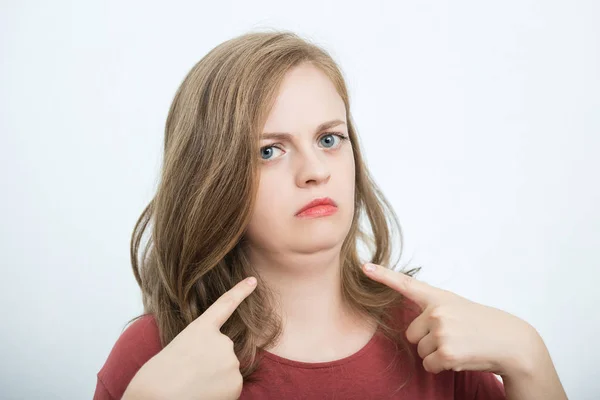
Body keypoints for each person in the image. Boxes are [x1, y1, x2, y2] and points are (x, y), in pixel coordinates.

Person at [94, 30, 567, 400]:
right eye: (269, 150)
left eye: (328, 139)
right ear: (209, 179)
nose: (315, 171)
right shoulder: (155, 355)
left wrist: (528, 356)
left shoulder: (431, 337)